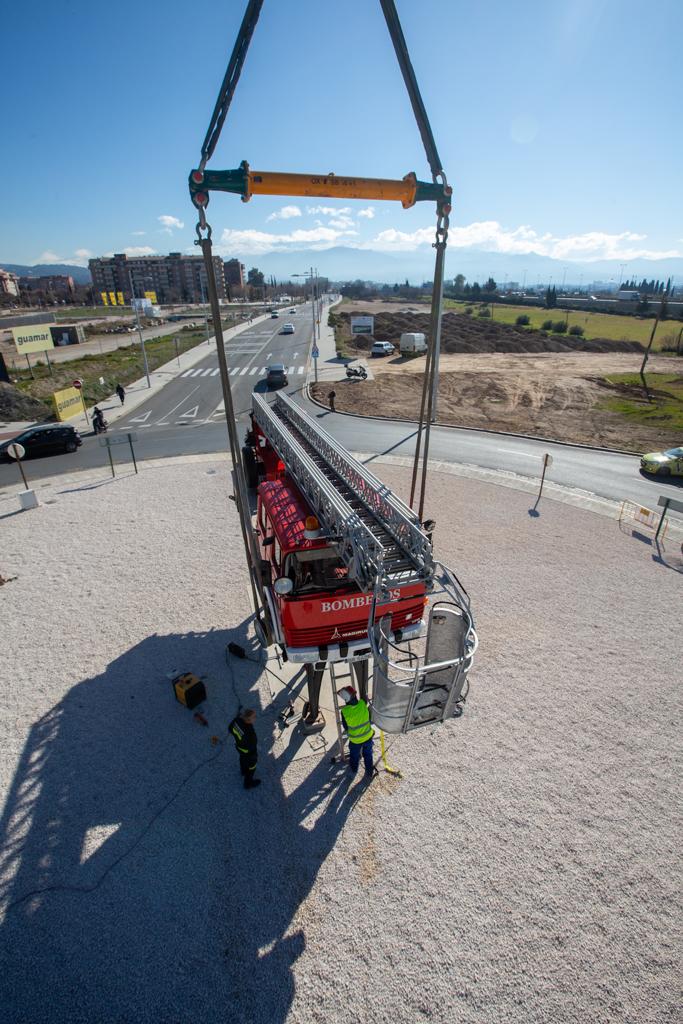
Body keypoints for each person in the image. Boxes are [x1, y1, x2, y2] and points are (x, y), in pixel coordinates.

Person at [337, 686, 376, 779]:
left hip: (355, 740)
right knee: (368, 754)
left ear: (346, 699)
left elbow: (345, 727)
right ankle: (369, 771)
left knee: (354, 755)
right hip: (368, 736)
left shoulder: (345, 711)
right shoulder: (362, 703)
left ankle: (354, 769)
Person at [228, 708, 261, 789]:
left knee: (242, 758)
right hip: (249, 753)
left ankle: (243, 771)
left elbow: (230, 728)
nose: (255, 717)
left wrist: (238, 738)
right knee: (252, 767)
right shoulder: (251, 733)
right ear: (249, 720)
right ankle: (248, 783)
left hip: (239, 748)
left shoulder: (237, 720)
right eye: (254, 717)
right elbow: (252, 746)